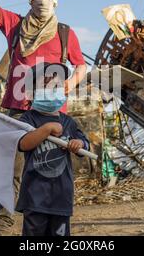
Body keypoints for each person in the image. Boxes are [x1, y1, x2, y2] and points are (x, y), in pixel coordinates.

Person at [0, 0, 87, 235]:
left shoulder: (64, 34)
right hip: (20, 114)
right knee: (12, 170)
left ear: (56, 2)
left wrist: (69, 85)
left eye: (46, 0)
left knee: (49, 172)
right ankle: (2, 224)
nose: (41, 4)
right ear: (29, 2)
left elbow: (82, 66)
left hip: (52, 114)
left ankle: (44, 227)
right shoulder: (15, 25)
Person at [17, 62, 90, 236]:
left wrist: (79, 144)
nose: (52, 89)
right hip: (35, 196)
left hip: (61, 197)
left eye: (56, 85)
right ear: (31, 92)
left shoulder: (68, 122)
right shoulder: (28, 119)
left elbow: (84, 143)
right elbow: (23, 144)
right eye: (45, 85)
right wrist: (46, 129)